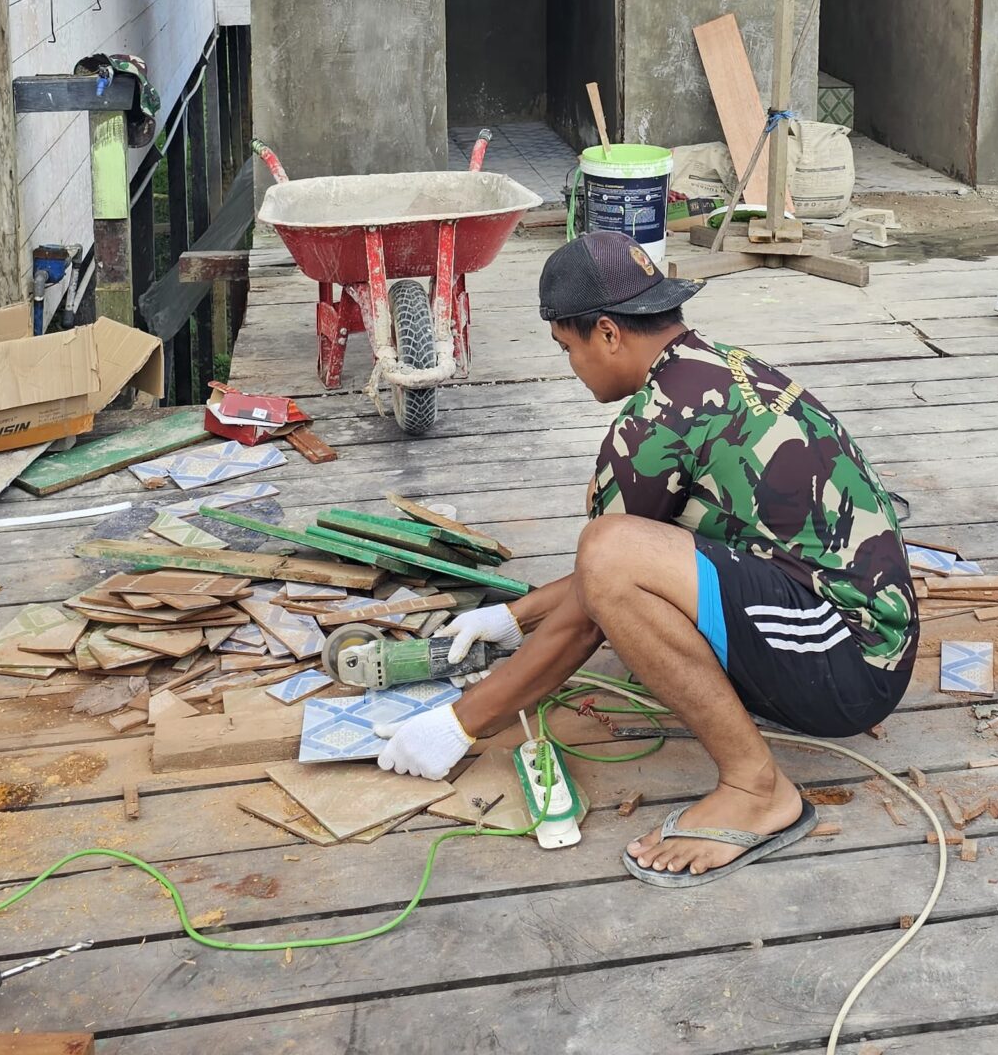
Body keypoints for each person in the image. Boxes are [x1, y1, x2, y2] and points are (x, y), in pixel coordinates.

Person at [370, 230, 918, 887]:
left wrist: (462, 724)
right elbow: (628, 568)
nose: (572, 366)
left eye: (568, 348)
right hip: (858, 633)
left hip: (848, 666)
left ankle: (757, 790)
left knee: (608, 551)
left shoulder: (656, 421)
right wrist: (512, 619)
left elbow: (604, 585)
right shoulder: (712, 367)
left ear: (607, 333)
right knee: (618, 555)